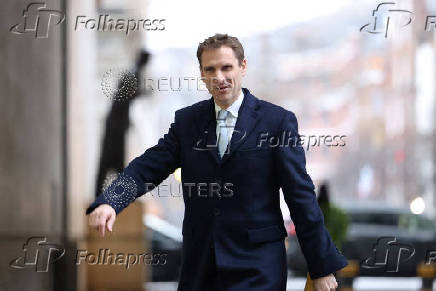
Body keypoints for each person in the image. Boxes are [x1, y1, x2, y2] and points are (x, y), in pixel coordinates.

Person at [86, 33, 348, 291]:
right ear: (201, 73)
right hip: (201, 266)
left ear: (243, 67)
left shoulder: (277, 122)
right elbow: (149, 165)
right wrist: (112, 200)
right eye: (210, 69)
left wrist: (321, 266)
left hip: (257, 267)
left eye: (226, 67)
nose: (219, 78)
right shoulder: (188, 122)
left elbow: (300, 196)